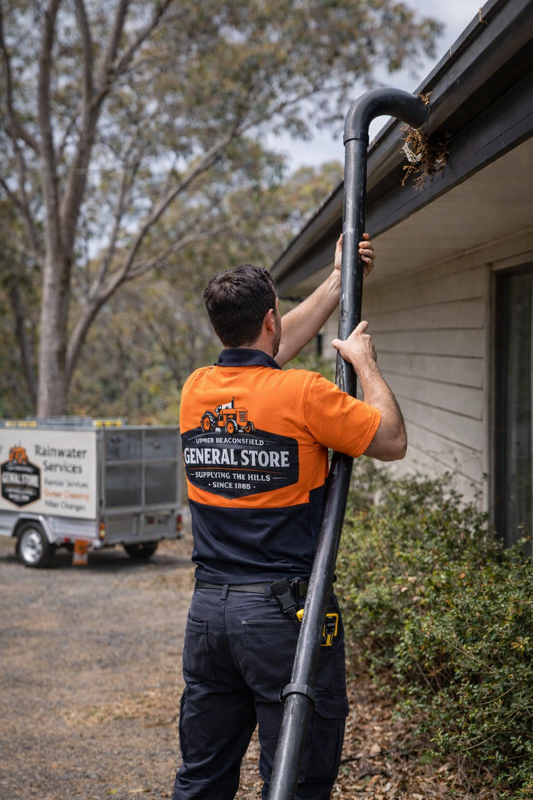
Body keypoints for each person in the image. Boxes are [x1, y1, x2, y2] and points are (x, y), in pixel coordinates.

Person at [172, 234, 406, 800]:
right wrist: (364, 364)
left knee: (201, 779)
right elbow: (392, 438)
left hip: (209, 617)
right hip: (283, 618)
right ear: (271, 319)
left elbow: (264, 358)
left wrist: (337, 281)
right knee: (297, 781)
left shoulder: (197, 390)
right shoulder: (301, 395)